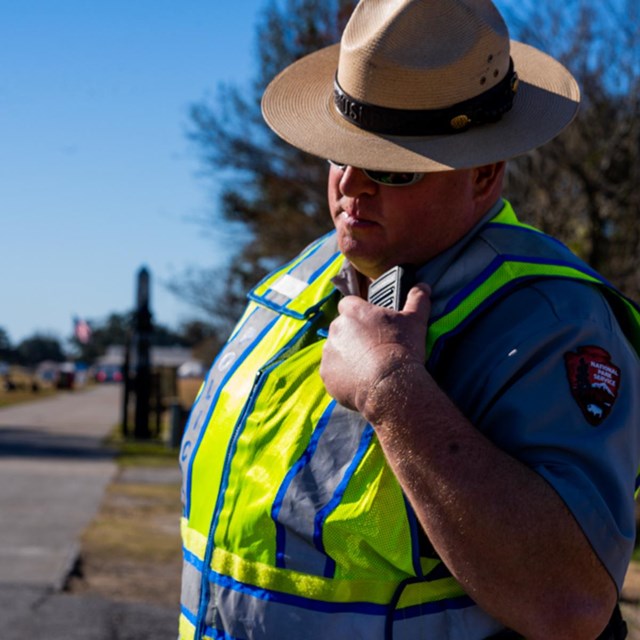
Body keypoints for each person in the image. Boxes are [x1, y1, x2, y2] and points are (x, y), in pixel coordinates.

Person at [178, 1, 640, 638]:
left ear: (483, 173)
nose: (351, 185)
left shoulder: (551, 320)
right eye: (339, 154)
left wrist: (391, 390)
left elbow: (569, 602)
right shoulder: (301, 275)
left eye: (391, 166)